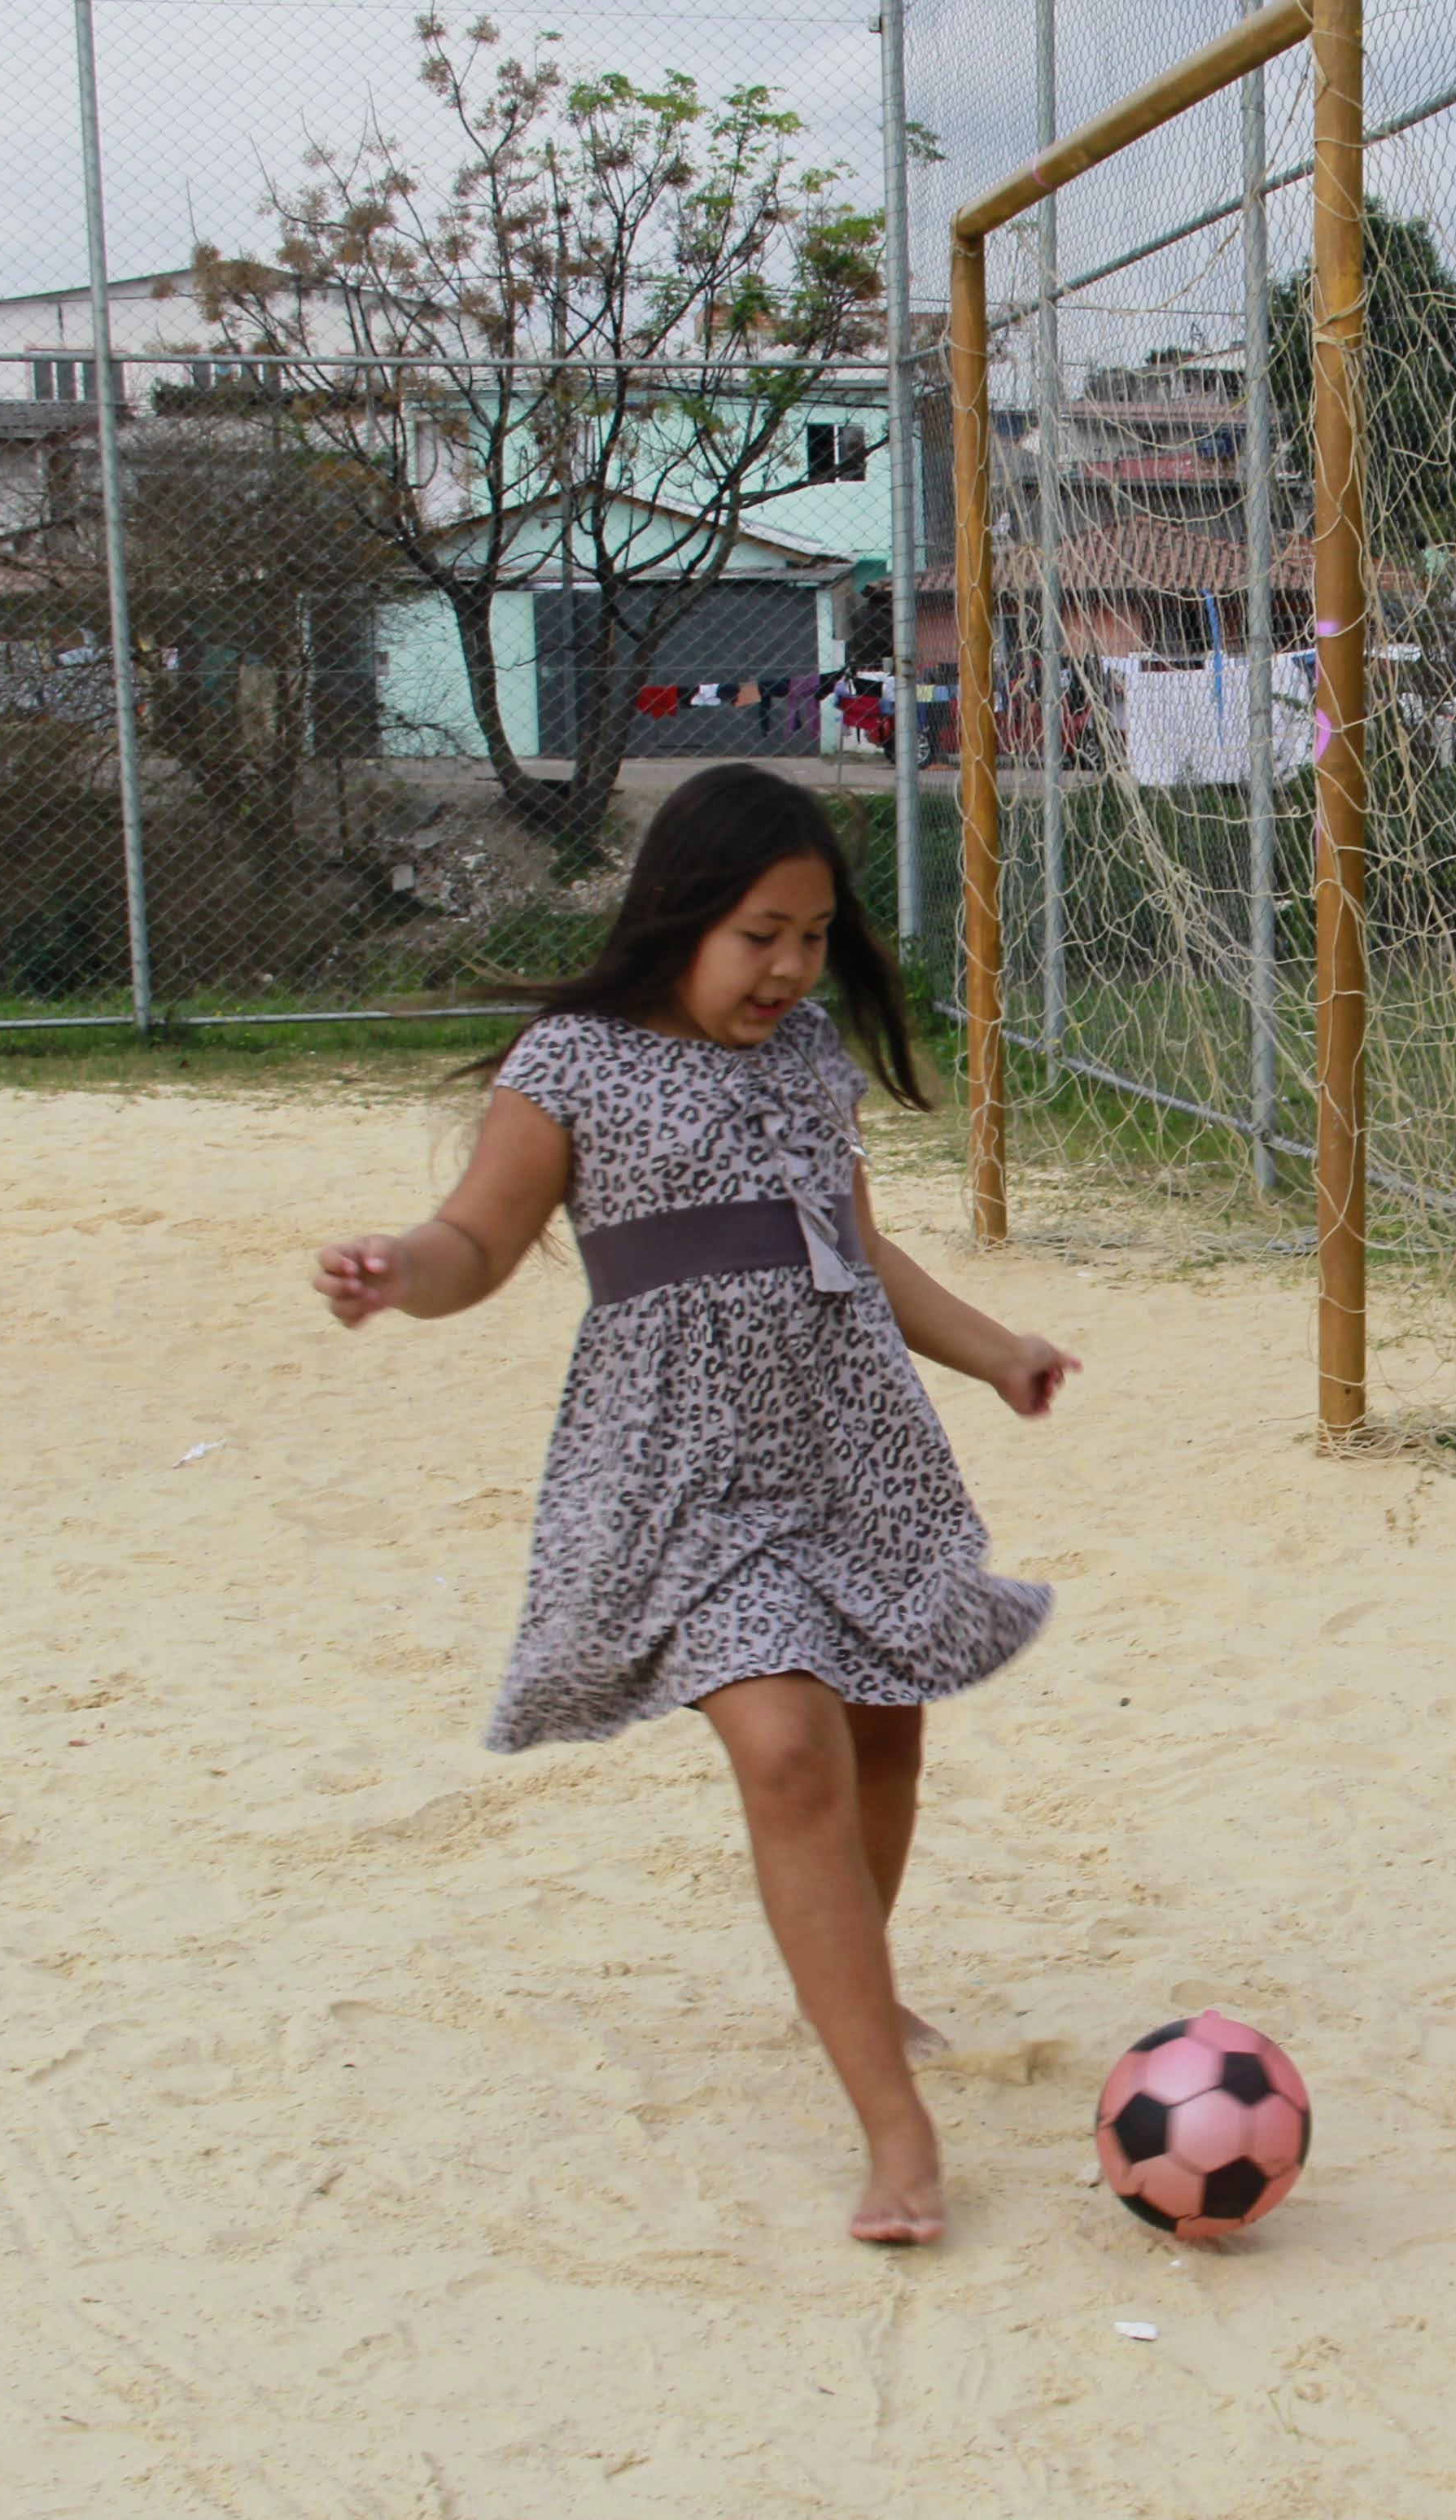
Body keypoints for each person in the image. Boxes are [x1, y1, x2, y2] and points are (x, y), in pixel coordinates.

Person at [309, 763, 1071, 2246]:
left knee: (882, 1723)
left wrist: (997, 1353)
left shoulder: (804, 1062)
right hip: (679, 1466)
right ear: (679, 914)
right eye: (757, 933)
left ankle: (853, 1988)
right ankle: (894, 2130)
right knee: (786, 1750)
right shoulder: (572, 1060)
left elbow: (859, 1250)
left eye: (811, 934)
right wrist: (399, 1272)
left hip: (846, 1439)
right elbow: (477, 1236)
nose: (789, 966)